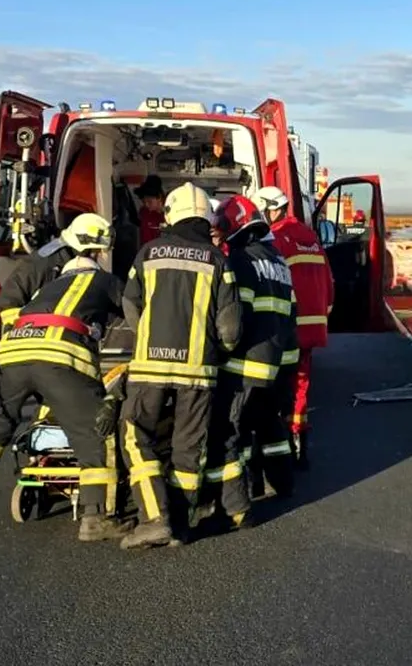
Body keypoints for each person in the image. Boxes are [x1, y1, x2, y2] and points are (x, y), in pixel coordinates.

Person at [0, 256, 134, 542]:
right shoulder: (105, 280)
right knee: (96, 434)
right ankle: (97, 517)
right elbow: (132, 308)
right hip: (59, 355)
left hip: (12, 351)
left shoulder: (49, 288)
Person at [118, 182, 242, 549]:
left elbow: (130, 305)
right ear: (207, 218)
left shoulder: (148, 253)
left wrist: (148, 337)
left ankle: (154, 518)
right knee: (189, 450)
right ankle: (181, 526)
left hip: (149, 368)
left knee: (135, 434)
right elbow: (230, 328)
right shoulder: (218, 260)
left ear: (171, 215)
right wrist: (218, 351)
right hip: (199, 372)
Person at [213, 196, 299, 504]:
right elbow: (292, 314)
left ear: (234, 225)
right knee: (269, 424)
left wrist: (219, 350)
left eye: (222, 226)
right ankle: (283, 483)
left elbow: (237, 316)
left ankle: (242, 495)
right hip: (276, 364)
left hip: (244, 364)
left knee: (233, 430)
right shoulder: (278, 261)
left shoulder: (240, 260)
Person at [252, 186, 333, 469]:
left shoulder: (276, 237)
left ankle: (279, 450)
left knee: (277, 387)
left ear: (270, 209)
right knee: (301, 386)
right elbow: (329, 284)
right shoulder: (310, 237)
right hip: (314, 327)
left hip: (289, 326)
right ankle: (300, 447)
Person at [0, 212, 114, 331]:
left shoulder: (67, 259)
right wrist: (22, 328)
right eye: (97, 251)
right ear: (82, 246)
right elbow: (9, 300)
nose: (99, 256)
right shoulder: (46, 263)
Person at [135, 175, 165, 246]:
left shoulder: (170, 214)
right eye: (144, 202)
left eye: (149, 201)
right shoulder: (144, 212)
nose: (146, 205)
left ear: (159, 197)